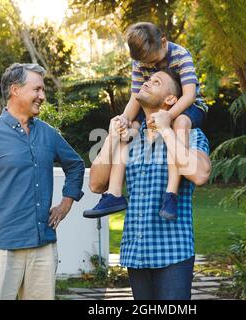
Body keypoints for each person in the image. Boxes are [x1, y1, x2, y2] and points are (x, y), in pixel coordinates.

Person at [0, 63, 85, 300]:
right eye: (37, 89)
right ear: (15, 90)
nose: (42, 96)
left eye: (43, 90)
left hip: (43, 248)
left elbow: (76, 165)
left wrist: (65, 204)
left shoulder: (48, 133)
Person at [89, 69, 211, 300]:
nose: (147, 83)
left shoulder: (189, 133)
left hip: (173, 253)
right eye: (147, 79)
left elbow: (201, 174)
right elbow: (96, 184)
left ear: (170, 99)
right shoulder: (130, 137)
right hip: (136, 253)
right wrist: (112, 137)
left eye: (157, 81)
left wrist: (165, 129)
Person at [83, 22, 208, 221]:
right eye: (145, 64)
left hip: (188, 105)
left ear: (163, 42)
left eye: (153, 61)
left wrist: (168, 117)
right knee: (129, 129)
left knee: (181, 124)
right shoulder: (140, 61)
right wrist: (124, 119)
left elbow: (189, 95)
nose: (150, 67)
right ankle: (114, 193)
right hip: (160, 110)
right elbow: (135, 96)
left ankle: (171, 193)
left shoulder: (180, 54)